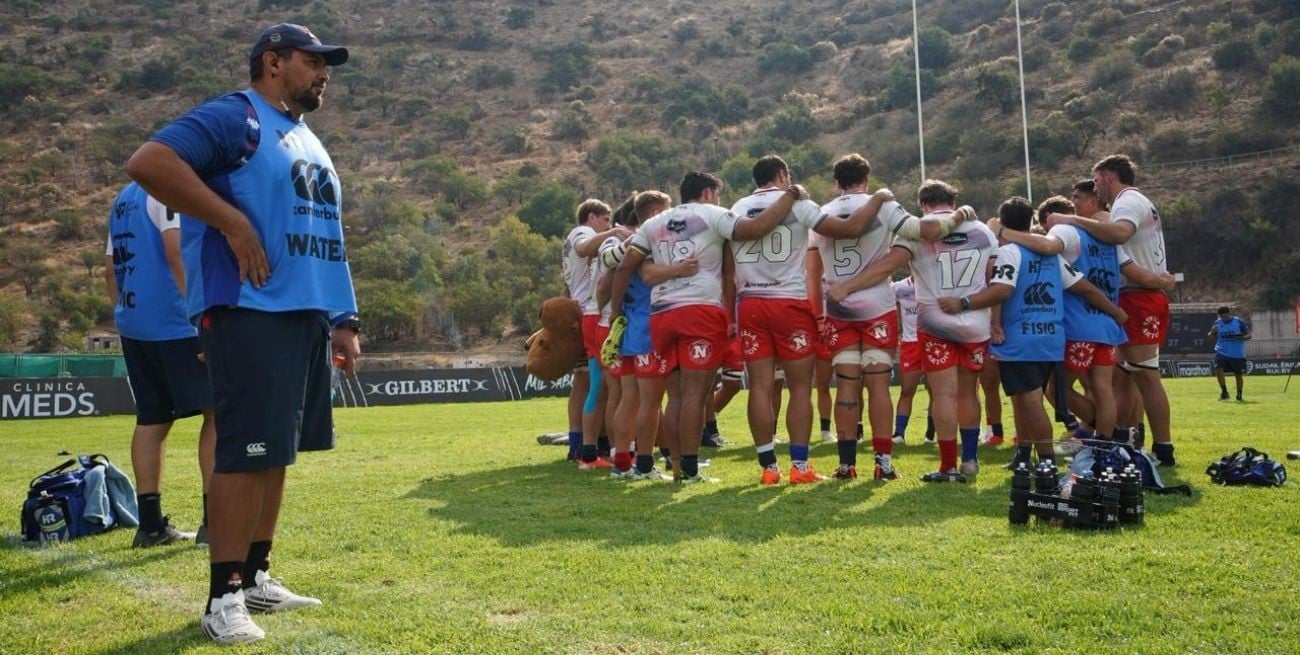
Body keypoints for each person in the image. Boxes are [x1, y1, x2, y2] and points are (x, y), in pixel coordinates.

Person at [125, 23, 359, 645]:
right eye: (313, 61)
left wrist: (343, 317)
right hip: (248, 308)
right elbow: (149, 162)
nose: (323, 72)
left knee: (276, 451)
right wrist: (229, 222)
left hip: (303, 315)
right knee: (244, 450)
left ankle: (255, 573)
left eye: (325, 64)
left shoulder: (307, 137)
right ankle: (222, 595)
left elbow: (326, 236)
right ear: (273, 62)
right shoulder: (238, 116)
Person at [608, 172, 798, 483]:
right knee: (696, 394)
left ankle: (678, 466)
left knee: (675, 397)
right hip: (700, 312)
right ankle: (691, 470)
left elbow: (626, 265)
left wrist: (617, 313)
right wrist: (790, 196)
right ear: (709, 193)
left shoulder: (654, 222)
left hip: (662, 314)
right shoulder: (713, 215)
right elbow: (756, 228)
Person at [828, 180, 988, 483]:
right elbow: (995, 280)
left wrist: (847, 286)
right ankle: (970, 459)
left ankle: (947, 466)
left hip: (935, 323)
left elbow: (887, 265)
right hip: (975, 323)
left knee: (942, 394)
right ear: (953, 202)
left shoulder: (913, 235)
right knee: (969, 392)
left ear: (924, 206)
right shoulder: (983, 231)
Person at [950, 198, 1126, 471]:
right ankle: (1023, 454)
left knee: (1030, 400)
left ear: (1004, 223)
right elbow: (1086, 289)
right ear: (1031, 221)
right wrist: (1115, 312)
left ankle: (1046, 461)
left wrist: (968, 306)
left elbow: (1001, 290)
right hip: (1051, 339)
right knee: (1022, 399)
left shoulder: (1009, 252)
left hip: (1020, 339)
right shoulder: (1051, 255)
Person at [104, 182, 216, 548]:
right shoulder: (167, 188)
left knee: (152, 420)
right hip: (177, 323)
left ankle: (150, 525)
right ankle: (215, 524)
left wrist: (123, 314)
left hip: (135, 324)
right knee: (218, 413)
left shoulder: (123, 199)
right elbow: (175, 252)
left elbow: (110, 268)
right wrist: (200, 315)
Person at [1045, 155, 1176, 466]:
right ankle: (1124, 439)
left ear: (1108, 176)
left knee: (1145, 376)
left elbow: (1120, 234)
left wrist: (1070, 220)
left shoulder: (1127, 201)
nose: (1094, 188)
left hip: (1139, 298)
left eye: (1095, 180)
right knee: (1123, 378)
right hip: (1137, 295)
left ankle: (1162, 450)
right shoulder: (1127, 206)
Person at [563, 199, 628, 469]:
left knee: (588, 383)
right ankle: (587, 449)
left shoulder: (585, 234)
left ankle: (584, 447)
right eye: (605, 219)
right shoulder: (582, 233)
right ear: (592, 217)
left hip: (582, 311)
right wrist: (613, 234)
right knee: (595, 385)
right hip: (590, 312)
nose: (609, 224)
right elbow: (584, 248)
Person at [1210, 306, 1251, 401]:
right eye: (1222, 317)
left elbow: (1249, 335)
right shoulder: (1217, 323)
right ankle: (1224, 392)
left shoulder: (1239, 322)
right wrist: (1212, 332)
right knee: (1218, 368)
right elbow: (1210, 338)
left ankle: (1239, 394)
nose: (1224, 318)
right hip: (1221, 351)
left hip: (1237, 353)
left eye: (1226, 316)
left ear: (1229, 313)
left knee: (1238, 374)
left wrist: (1241, 337)